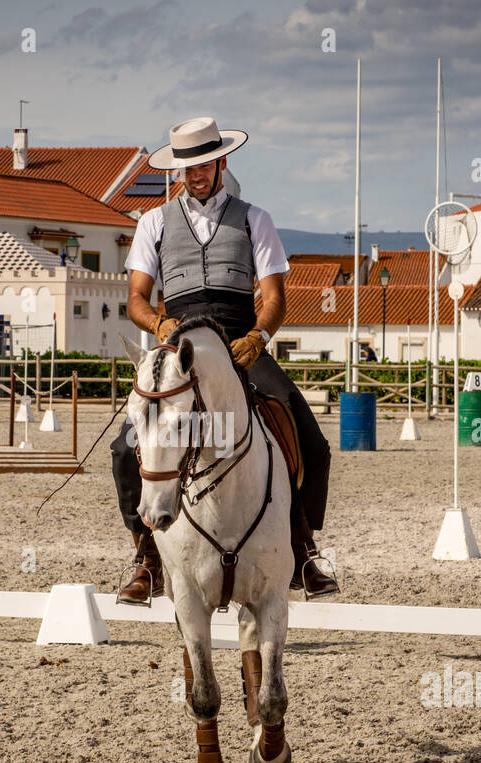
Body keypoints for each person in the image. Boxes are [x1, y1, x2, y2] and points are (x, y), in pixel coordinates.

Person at [111, 116, 338, 603]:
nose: (195, 174)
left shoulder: (255, 218)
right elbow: (136, 299)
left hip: (238, 340)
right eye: (186, 167)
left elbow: (275, 296)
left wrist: (259, 335)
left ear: (221, 162)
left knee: (311, 441)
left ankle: (303, 547)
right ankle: (146, 557)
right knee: (122, 448)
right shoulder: (152, 223)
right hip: (179, 343)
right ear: (177, 170)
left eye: (204, 164)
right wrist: (158, 326)